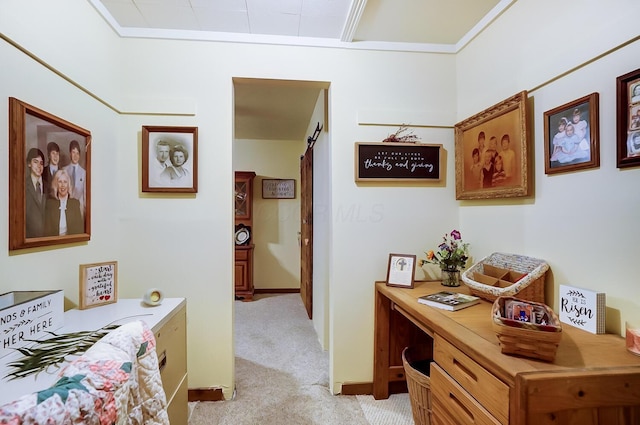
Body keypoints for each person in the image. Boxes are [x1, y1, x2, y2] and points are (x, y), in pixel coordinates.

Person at [44, 169, 83, 236]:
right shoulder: (50, 204)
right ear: (56, 184)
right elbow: (47, 231)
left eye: (65, 182)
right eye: (60, 182)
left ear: (68, 185)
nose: (62, 185)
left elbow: (79, 230)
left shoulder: (75, 203)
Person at [25, 148, 46, 238]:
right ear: (29, 164)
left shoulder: (48, 187)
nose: (39, 166)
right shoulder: (23, 186)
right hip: (29, 238)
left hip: (47, 238)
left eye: (41, 163)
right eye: (35, 162)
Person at [63, 140, 86, 217]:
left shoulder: (84, 173)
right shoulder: (64, 170)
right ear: (70, 153)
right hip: (65, 207)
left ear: (79, 155)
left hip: (79, 209)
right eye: (73, 152)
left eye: (77, 153)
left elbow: (85, 194)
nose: (75, 156)